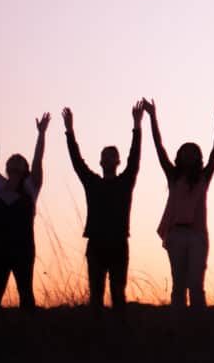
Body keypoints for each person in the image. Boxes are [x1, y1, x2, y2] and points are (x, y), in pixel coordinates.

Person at [63, 101, 143, 311]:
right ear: (101, 162)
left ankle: (119, 336)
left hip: (118, 243)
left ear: (117, 161)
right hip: (97, 244)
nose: (108, 159)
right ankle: (97, 335)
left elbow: (134, 159)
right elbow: (77, 162)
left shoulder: (125, 182)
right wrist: (69, 131)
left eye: (112, 156)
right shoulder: (93, 183)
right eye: (105, 156)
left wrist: (137, 125)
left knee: (118, 295)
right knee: (96, 296)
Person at [148, 97, 214, 309]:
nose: (189, 155)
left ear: (198, 157)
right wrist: (152, 117)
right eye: (185, 152)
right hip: (176, 234)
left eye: (193, 153)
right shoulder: (173, 176)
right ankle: (179, 325)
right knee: (178, 285)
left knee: (196, 284)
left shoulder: (203, 177)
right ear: (179, 156)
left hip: (197, 234)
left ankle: (199, 326)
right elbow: (159, 147)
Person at [0, 109, 49, 313]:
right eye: (12, 158)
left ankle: (27, 335)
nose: (15, 160)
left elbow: (38, 160)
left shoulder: (31, 187)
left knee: (26, 296)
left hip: (23, 250)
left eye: (20, 159)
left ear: (24, 168)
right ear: (7, 166)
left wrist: (41, 134)